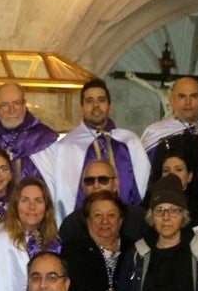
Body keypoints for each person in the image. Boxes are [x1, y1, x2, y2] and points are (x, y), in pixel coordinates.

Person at [42, 79, 150, 219]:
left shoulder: (130, 141)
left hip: (126, 223)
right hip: (82, 225)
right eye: (89, 101)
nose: (96, 105)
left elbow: (143, 184)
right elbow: (62, 194)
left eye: (101, 100)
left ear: (109, 106)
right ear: (82, 107)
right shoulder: (66, 146)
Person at [141, 76, 198, 200]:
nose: (188, 102)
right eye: (182, 97)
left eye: (193, 96)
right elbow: (142, 179)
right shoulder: (153, 134)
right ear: (172, 101)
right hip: (165, 211)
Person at [60, 190, 131, 291]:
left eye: (111, 215)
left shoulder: (134, 250)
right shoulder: (71, 252)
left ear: (120, 220)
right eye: (98, 215)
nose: (105, 221)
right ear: (87, 220)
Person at [0, 82, 57, 182]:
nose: (11, 111)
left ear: (24, 105)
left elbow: (56, 182)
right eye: (5, 105)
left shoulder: (43, 138)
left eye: (16, 104)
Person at [58, 160, 147, 244]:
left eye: (103, 180)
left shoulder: (138, 217)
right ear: (83, 186)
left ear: (115, 184)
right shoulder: (71, 223)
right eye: (90, 181)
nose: (96, 186)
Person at [156, 149, 198, 226]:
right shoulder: (151, 205)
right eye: (166, 170)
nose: (172, 174)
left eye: (178, 169)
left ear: (189, 176)